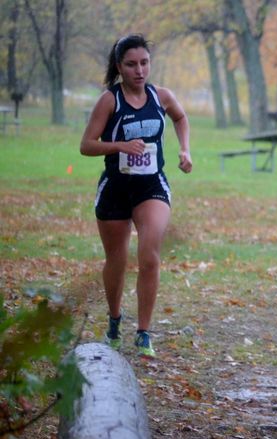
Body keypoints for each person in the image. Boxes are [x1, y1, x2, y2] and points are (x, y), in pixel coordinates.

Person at [80, 34, 192, 358]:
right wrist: (119, 146)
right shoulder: (109, 101)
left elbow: (181, 117)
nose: (139, 70)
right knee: (117, 259)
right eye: (131, 64)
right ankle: (115, 320)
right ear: (120, 67)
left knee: (149, 253)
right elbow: (86, 145)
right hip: (116, 186)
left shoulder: (161, 96)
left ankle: (143, 332)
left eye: (144, 63)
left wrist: (185, 150)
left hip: (151, 185)